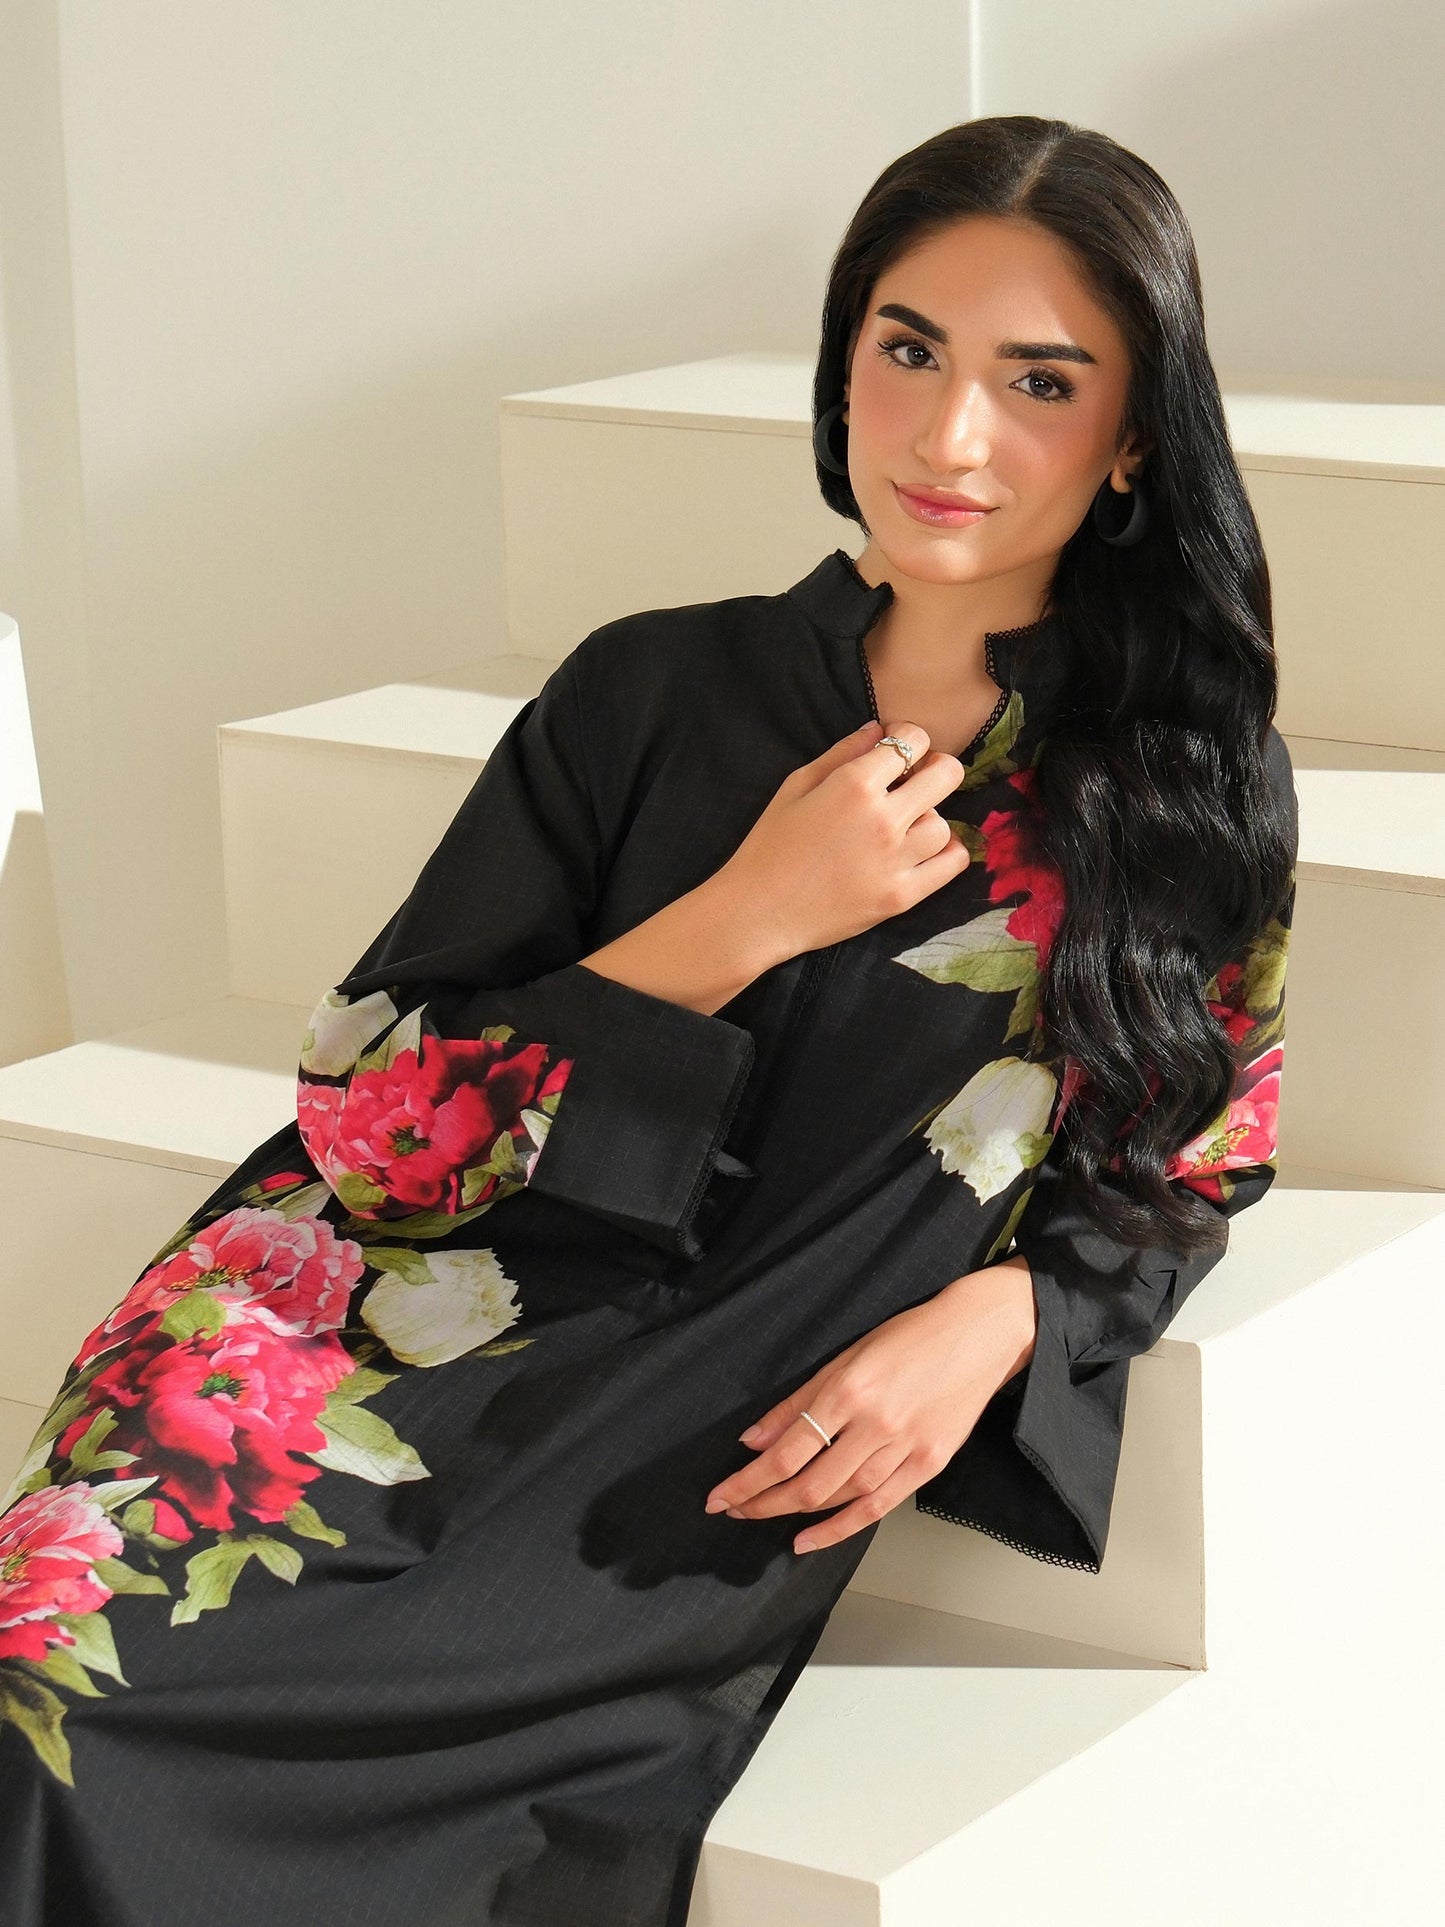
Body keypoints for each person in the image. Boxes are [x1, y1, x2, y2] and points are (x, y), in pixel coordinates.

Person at [0, 114, 1296, 1926]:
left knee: (110, 1750)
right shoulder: (646, 686)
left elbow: (1193, 1156)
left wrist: (1006, 1316)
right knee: (38, 1680)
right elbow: (365, 1106)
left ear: (1134, 435)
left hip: (685, 1429)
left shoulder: (1170, 790)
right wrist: (747, 912)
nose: (949, 437)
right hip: (358, 1338)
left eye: (1039, 382)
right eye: (907, 350)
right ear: (840, 363)